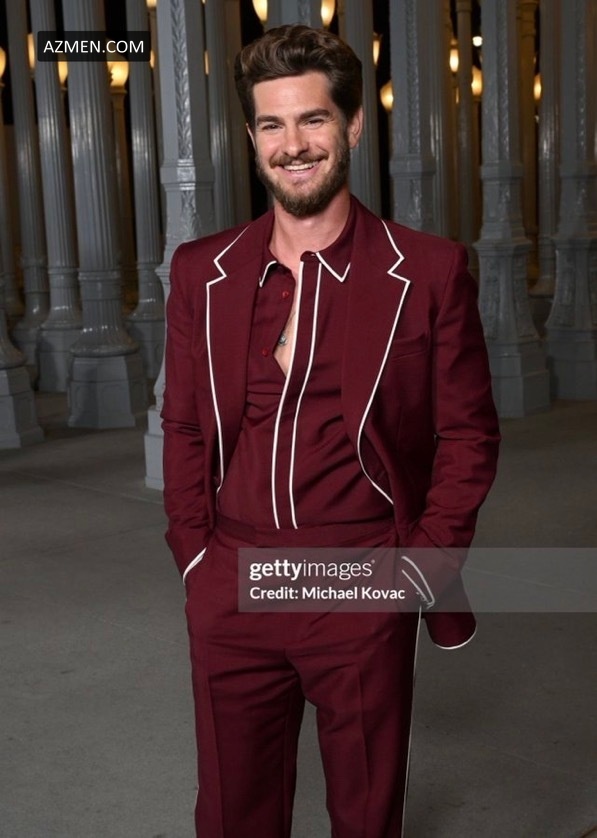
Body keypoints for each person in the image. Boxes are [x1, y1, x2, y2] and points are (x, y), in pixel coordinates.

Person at [162, 23, 500, 838]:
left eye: (312, 119)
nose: (293, 145)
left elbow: (468, 435)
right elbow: (183, 423)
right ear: (252, 138)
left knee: (363, 813)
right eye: (271, 124)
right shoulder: (202, 271)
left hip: (358, 577)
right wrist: (196, 556)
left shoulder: (426, 270)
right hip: (232, 577)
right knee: (231, 815)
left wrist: (417, 570)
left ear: (350, 126)